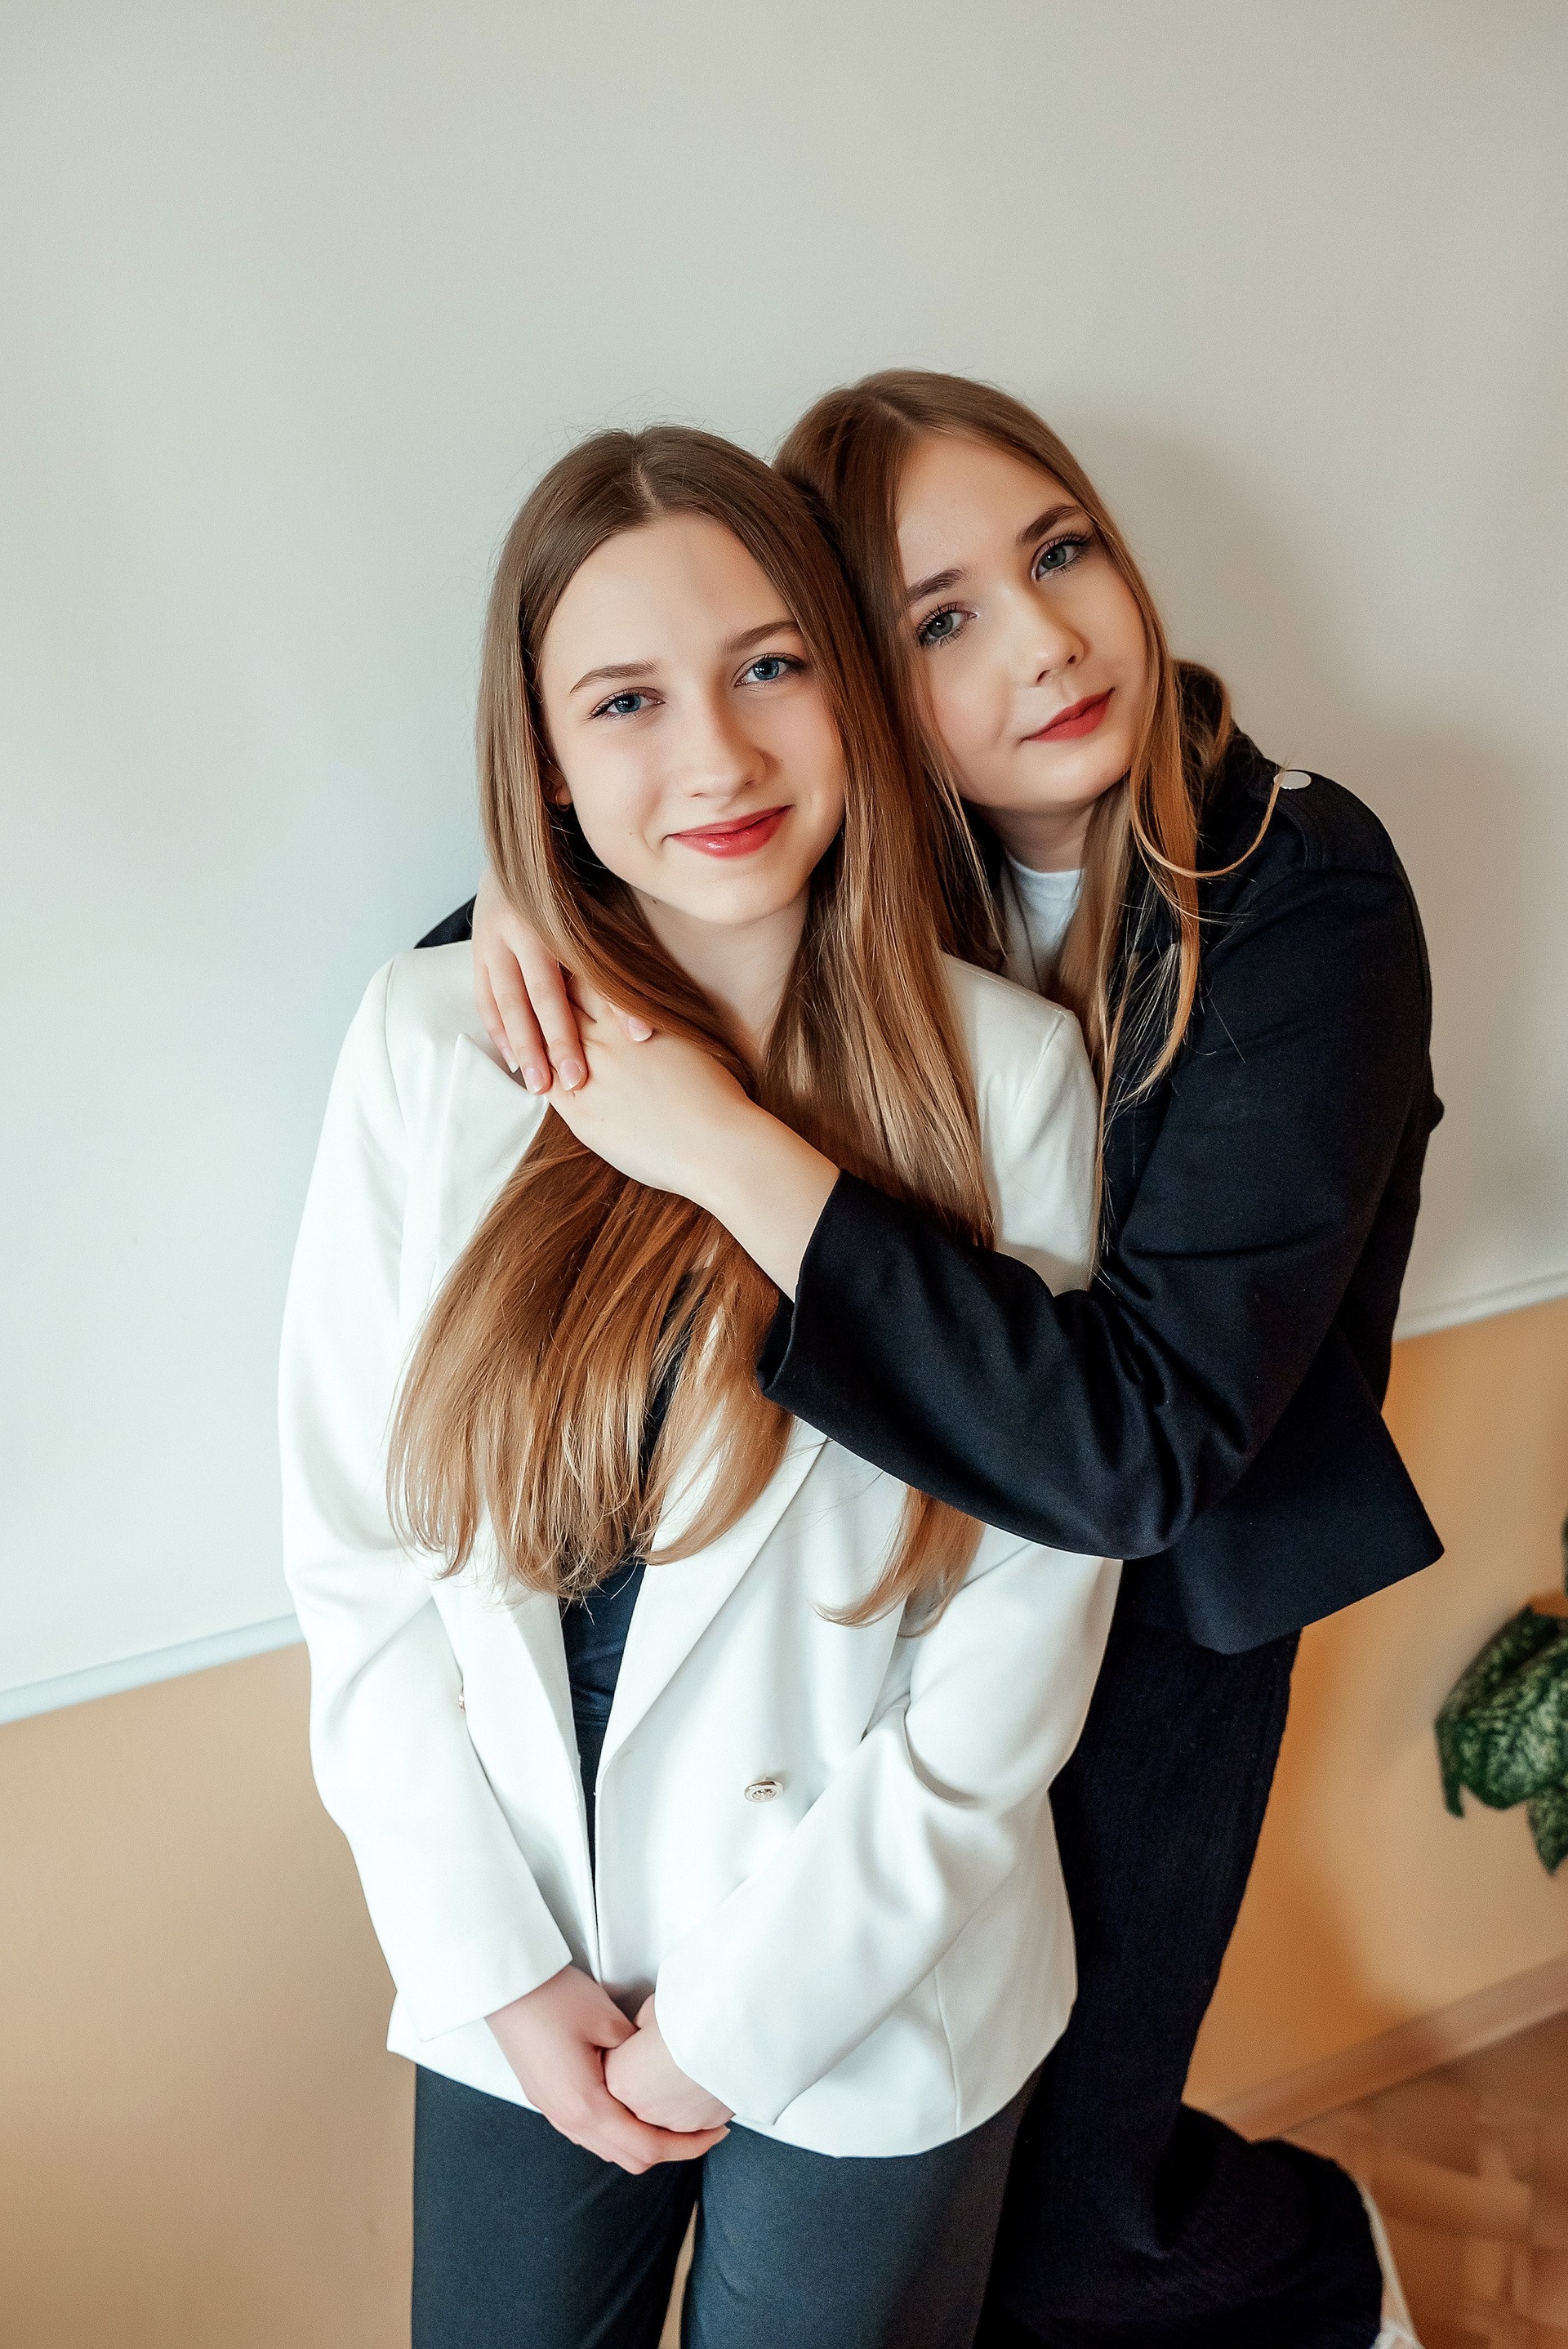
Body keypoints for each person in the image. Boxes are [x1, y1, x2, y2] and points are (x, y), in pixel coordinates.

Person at [440, 372, 1441, 2349]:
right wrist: (504, 912)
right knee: (887, 2167)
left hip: (1163, 1625)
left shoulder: (1302, 887)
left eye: (1060, 552)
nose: (1047, 640)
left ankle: (1328, 2273)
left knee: (1064, 2209)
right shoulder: (897, 869)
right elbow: (656, 849)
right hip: (892, 1615)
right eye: (942, 617)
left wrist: (725, 1144)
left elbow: (1143, 1443)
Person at [282, 422, 1121, 2349]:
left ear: (849, 686)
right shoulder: (429, 1046)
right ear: (545, 762)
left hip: (872, 1968)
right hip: (523, 1951)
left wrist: (737, 2022)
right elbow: (353, 1554)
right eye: (627, 701)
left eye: (769, 666)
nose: (719, 757)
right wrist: (492, 1964)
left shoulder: (1009, 1078)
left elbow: (1020, 1635)